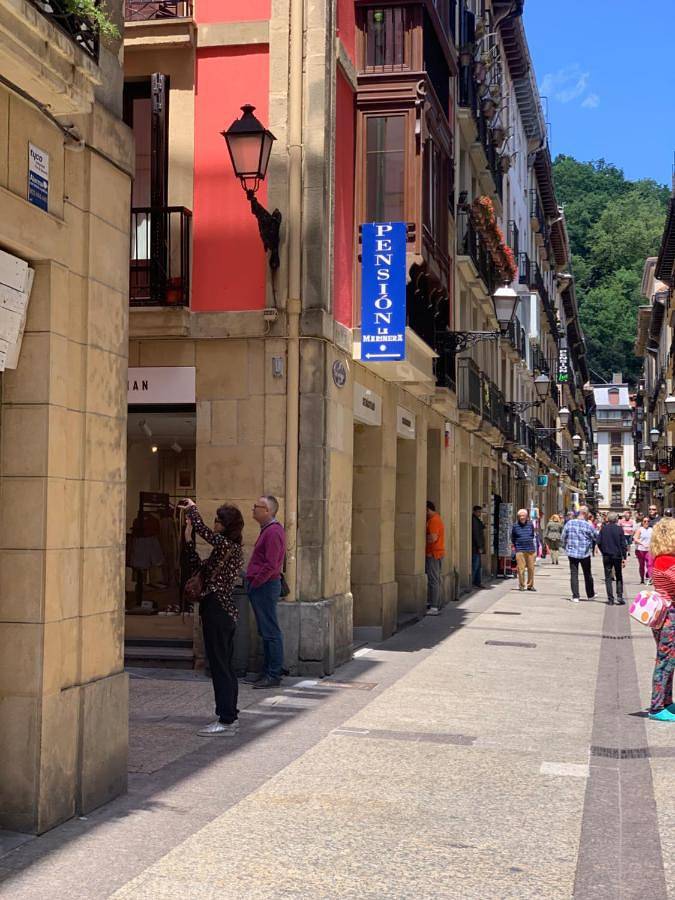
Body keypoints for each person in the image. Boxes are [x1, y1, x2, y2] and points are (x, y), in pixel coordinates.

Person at [182, 499, 244, 737]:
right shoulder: (223, 551)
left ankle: (227, 719)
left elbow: (207, 533)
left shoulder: (228, 547)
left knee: (221, 666)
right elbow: (199, 568)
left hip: (219, 610)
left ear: (226, 525)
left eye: (218, 520)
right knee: (222, 665)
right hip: (216, 610)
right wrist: (188, 539)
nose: (215, 524)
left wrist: (193, 509)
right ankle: (229, 716)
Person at [245, 495, 287, 688]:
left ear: (268, 511)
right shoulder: (268, 530)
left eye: (258, 506)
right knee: (266, 630)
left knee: (270, 631)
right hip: (262, 585)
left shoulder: (273, 532)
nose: (253, 509)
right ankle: (268, 671)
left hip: (265, 586)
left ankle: (273, 674)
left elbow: (271, 564)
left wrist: (256, 582)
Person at [645, 519, 675, 721]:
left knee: (669, 661)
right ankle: (656, 707)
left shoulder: (661, 558)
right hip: (669, 617)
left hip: (665, 616)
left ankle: (666, 701)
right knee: (665, 661)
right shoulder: (667, 561)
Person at [561, 505, 597, 603]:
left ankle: (575, 596)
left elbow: (563, 537)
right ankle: (590, 594)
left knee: (574, 574)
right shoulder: (588, 525)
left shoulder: (569, 523)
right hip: (585, 553)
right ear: (585, 514)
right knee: (587, 573)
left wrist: (566, 547)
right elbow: (596, 537)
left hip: (572, 553)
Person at [597, 511, 627, 605]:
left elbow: (599, 542)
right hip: (617, 555)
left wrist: (603, 551)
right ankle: (619, 596)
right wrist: (624, 557)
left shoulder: (603, 529)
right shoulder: (619, 529)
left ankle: (610, 599)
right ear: (616, 519)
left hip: (607, 555)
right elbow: (623, 544)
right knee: (618, 575)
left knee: (608, 577)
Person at [425, 501, 445, 614]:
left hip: (434, 553)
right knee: (435, 579)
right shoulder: (436, 519)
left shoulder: (433, 521)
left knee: (433, 580)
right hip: (437, 553)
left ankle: (434, 606)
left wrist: (424, 539)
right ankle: (435, 602)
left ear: (427, 509)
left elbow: (433, 538)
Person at [511, 509, 536, 592]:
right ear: (518, 517)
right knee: (521, 569)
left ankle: (530, 585)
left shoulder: (530, 524)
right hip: (520, 550)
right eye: (520, 516)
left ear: (526, 516)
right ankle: (521, 585)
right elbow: (513, 537)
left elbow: (532, 535)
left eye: (523, 516)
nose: (522, 517)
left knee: (531, 568)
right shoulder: (515, 526)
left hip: (530, 549)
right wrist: (516, 546)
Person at [634, 516, 653, 584]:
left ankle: (648, 577)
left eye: (648, 521)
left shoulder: (651, 529)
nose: (646, 522)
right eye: (645, 521)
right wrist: (642, 543)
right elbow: (635, 538)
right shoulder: (640, 529)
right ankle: (642, 578)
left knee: (649, 564)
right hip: (640, 550)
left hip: (649, 550)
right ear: (642, 522)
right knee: (641, 565)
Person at [471, 505, 485, 590]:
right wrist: (479, 546)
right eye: (479, 512)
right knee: (475, 565)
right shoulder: (474, 520)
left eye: (480, 512)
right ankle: (473, 582)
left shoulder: (477, 520)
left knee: (478, 565)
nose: (480, 513)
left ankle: (477, 582)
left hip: (477, 547)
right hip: (475, 547)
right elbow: (476, 534)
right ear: (475, 512)